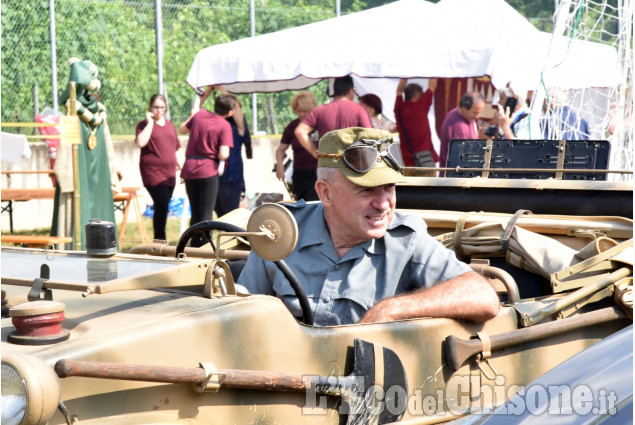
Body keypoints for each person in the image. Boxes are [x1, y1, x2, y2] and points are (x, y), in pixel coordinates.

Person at [238, 127, 500, 326]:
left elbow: (483, 296)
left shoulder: (406, 240)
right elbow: (240, 318)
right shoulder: (280, 233)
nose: (384, 203)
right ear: (325, 193)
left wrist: (392, 309)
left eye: (389, 187)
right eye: (366, 190)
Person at [179, 87, 236, 247]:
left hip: (189, 168)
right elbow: (223, 154)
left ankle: (193, 244)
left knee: (195, 211)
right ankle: (204, 246)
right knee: (206, 212)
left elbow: (182, 129)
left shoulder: (200, 115)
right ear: (230, 112)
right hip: (207, 169)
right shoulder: (224, 125)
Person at [135, 94, 181, 241]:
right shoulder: (143, 125)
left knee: (164, 206)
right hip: (153, 173)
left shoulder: (170, 125)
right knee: (161, 203)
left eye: (162, 107)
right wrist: (150, 123)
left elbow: (175, 149)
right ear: (150, 107)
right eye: (156, 107)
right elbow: (141, 142)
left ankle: (160, 240)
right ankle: (159, 240)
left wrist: (183, 168)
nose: (159, 110)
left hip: (169, 173)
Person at [295, 75, 372, 159]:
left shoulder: (319, 110)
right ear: (350, 91)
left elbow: (300, 131)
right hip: (351, 163)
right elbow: (370, 135)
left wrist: (314, 152)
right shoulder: (359, 110)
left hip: (327, 163)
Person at [213, 86, 253, 217]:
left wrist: (222, 90)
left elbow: (236, 110)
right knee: (219, 214)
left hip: (231, 175)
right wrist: (208, 89)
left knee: (230, 214)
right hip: (213, 173)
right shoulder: (214, 122)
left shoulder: (238, 127)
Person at [275, 91, 320, 201]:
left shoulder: (320, 124)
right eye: (298, 111)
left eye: (304, 111)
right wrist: (280, 167)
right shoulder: (292, 126)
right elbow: (280, 150)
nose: (301, 114)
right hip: (299, 173)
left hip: (318, 172)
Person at [394, 78, 438, 171]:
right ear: (418, 95)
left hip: (406, 163)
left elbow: (399, 91)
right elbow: (432, 86)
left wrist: (405, 76)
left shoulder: (399, 109)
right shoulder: (421, 106)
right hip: (425, 161)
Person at [439, 92, 485, 174]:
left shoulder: (466, 117)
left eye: (479, 112)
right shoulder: (459, 127)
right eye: (475, 113)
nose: (477, 116)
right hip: (456, 178)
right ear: (463, 108)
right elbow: (465, 158)